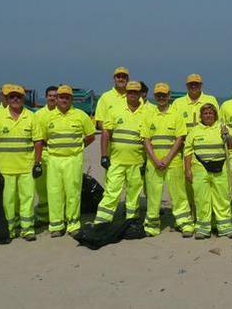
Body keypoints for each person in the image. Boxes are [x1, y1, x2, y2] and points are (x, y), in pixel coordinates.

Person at [0, 84, 44, 241]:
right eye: (12, 97)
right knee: (8, 201)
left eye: (18, 96)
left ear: (23, 98)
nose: (15, 99)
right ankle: (9, 229)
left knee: (27, 198)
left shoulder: (32, 116)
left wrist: (37, 163)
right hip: (6, 169)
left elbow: (38, 141)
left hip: (27, 168)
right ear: (7, 99)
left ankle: (27, 229)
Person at [43, 85, 96, 237]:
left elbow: (91, 135)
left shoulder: (80, 115)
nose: (64, 99)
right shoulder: (48, 117)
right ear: (57, 99)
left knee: (73, 192)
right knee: (54, 192)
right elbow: (43, 139)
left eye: (67, 97)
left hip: (73, 159)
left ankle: (73, 225)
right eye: (61, 97)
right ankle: (56, 225)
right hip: (54, 159)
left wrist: (78, 147)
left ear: (71, 99)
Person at [142, 83, 192, 237]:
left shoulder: (177, 115)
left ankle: (184, 224)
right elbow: (145, 140)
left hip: (174, 162)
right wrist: (156, 160)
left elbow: (179, 139)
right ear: (155, 96)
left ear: (169, 96)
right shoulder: (148, 115)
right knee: (153, 195)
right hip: (154, 162)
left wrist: (168, 158)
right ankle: (152, 226)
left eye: (164, 95)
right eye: (158, 95)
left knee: (178, 194)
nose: (161, 98)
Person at [95, 81, 147, 224]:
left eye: (135, 92)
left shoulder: (147, 112)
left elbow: (148, 139)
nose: (132, 95)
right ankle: (102, 222)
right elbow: (106, 133)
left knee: (134, 194)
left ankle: (131, 221)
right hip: (116, 161)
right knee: (111, 192)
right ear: (126, 93)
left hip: (137, 162)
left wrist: (147, 160)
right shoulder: (115, 110)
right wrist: (104, 155)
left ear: (140, 94)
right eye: (130, 92)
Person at [184, 104, 232, 239]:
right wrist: (188, 170)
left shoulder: (223, 128)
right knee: (202, 199)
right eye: (205, 113)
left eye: (210, 113)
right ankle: (202, 229)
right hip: (200, 169)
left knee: (222, 199)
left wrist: (227, 136)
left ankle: (225, 228)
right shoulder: (194, 131)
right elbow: (188, 151)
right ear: (201, 116)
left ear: (215, 115)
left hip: (221, 168)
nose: (208, 115)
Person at [33, 85, 58, 226]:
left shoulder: (62, 113)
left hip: (57, 153)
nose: (52, 98)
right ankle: (43, 217)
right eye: (50, 95)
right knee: (41, 187)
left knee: (56, 187)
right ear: (46, 96)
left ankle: (57, 217)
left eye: (55, 96)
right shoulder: (38, 114)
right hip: (42, 152)